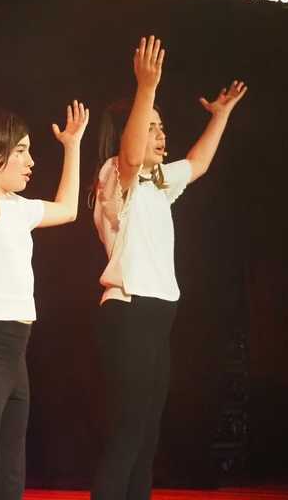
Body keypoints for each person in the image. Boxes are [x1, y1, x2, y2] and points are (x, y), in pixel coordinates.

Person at [90, 36, 247, 500]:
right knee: (126, 440)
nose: (161, 135)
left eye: (162, 127)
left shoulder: (157, 184)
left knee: (146, 442)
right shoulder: (114, 179)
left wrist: (220, 116)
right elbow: (130, 157)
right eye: (151, 126)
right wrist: (146, 88)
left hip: (157, 317)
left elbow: (196, 164)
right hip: (129, 313)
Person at [0, 99, 90, 500]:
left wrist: (73, 146)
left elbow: (69, 210)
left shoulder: (19, 207)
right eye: (21, 151)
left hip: (14, 346)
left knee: (9, 473)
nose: (31, 161)